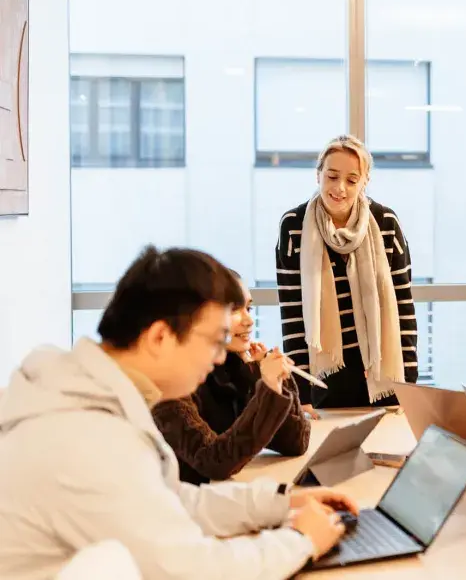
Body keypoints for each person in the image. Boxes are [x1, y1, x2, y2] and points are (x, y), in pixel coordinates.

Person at [0, 246, 354, 580]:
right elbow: (190, 570)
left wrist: (281, 503)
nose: (219, 357)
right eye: (215, 341)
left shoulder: (94, 391)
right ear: (160, 338)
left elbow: (171, 500)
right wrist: (300, 539)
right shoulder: (88, 435)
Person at [276, 135, 417, 408]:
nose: (340, 188)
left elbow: (403, 308)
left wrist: (408, 383)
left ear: (365, 182)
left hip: (381, 370)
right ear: (318, 176)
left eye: (352, 180)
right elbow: (293, 314)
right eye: (331, 176)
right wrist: (302, 393)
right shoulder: (294, 226)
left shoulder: (385, 222)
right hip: (325, 373)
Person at [153, 271, 311, 485]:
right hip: (181, 510)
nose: (248, 321)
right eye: (234, 309)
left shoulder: (234, 366)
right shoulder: (172, 382)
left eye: (249, 308)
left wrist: (269, 380)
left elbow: (295, 443)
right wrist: (268, 388)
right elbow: (213, 461)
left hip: (225, 499)